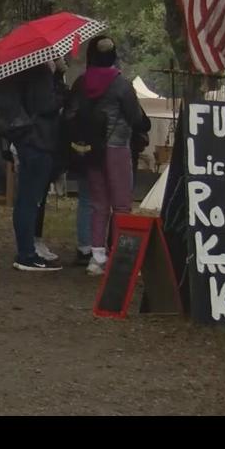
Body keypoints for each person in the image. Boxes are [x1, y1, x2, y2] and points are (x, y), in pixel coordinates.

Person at [63, 35, 150, 274]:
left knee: (98, 204)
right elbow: (135, 117)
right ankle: (120, 257)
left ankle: (96, 258)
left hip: (91, 150)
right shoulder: (121, 84)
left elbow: (70, 113)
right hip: (117, 148)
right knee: (121, 204)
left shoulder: (81, 82)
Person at [0, 60, 64, 271]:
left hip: (24, 139)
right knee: (31, 200)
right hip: (39, 140)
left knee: (25, 200)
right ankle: (27, 254)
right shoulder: (40, 72)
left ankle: (26, 250)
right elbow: (45, 105)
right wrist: (61, 86)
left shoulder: (20, 70)